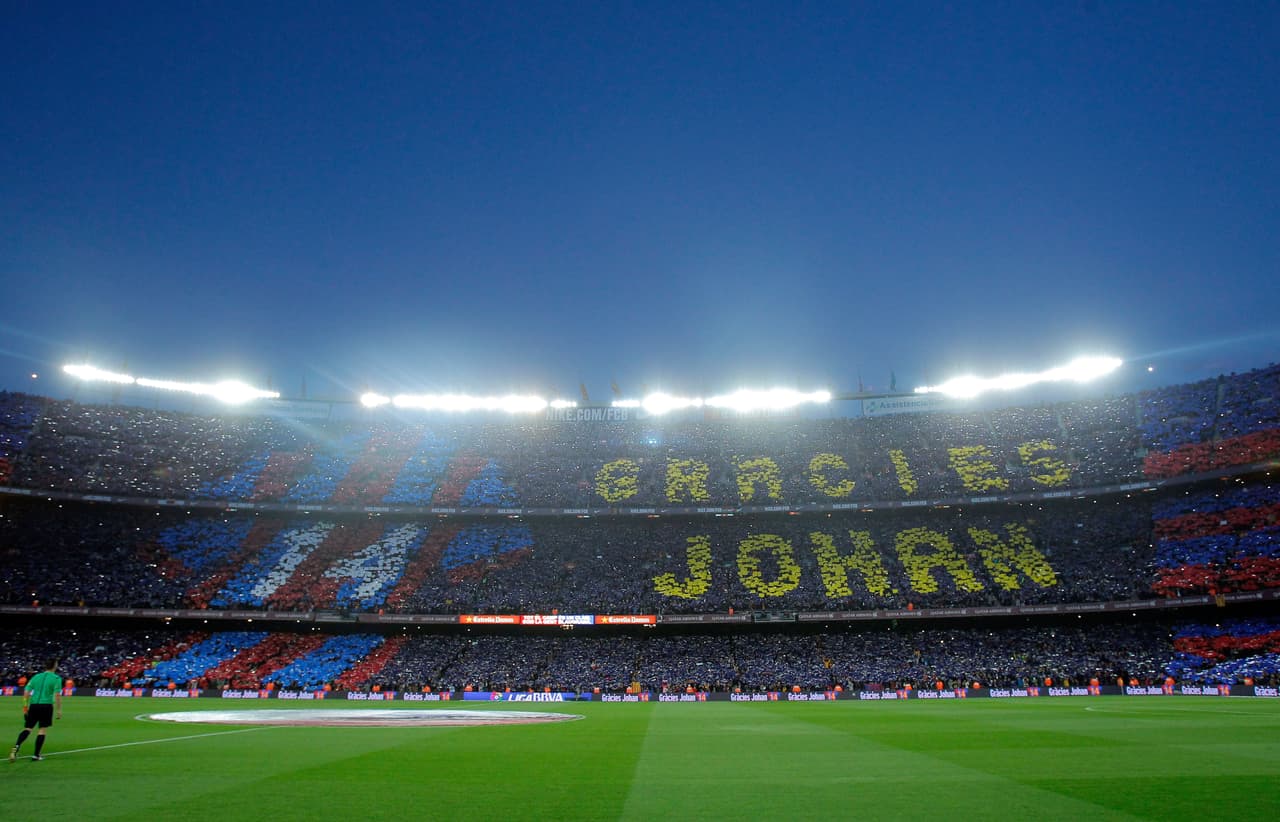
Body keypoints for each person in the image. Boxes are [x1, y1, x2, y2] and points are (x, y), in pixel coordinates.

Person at [10, 659, 62, 763]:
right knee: (42, 730)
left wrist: (25, 708)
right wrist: (59, 710)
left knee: (28, 728)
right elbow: (57, 695)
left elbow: (26, 693)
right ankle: (36, 755)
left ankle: (16, 748)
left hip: (33, 705)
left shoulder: (36, 677)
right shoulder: (56, 678)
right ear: (55, 666)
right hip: (46, 706)